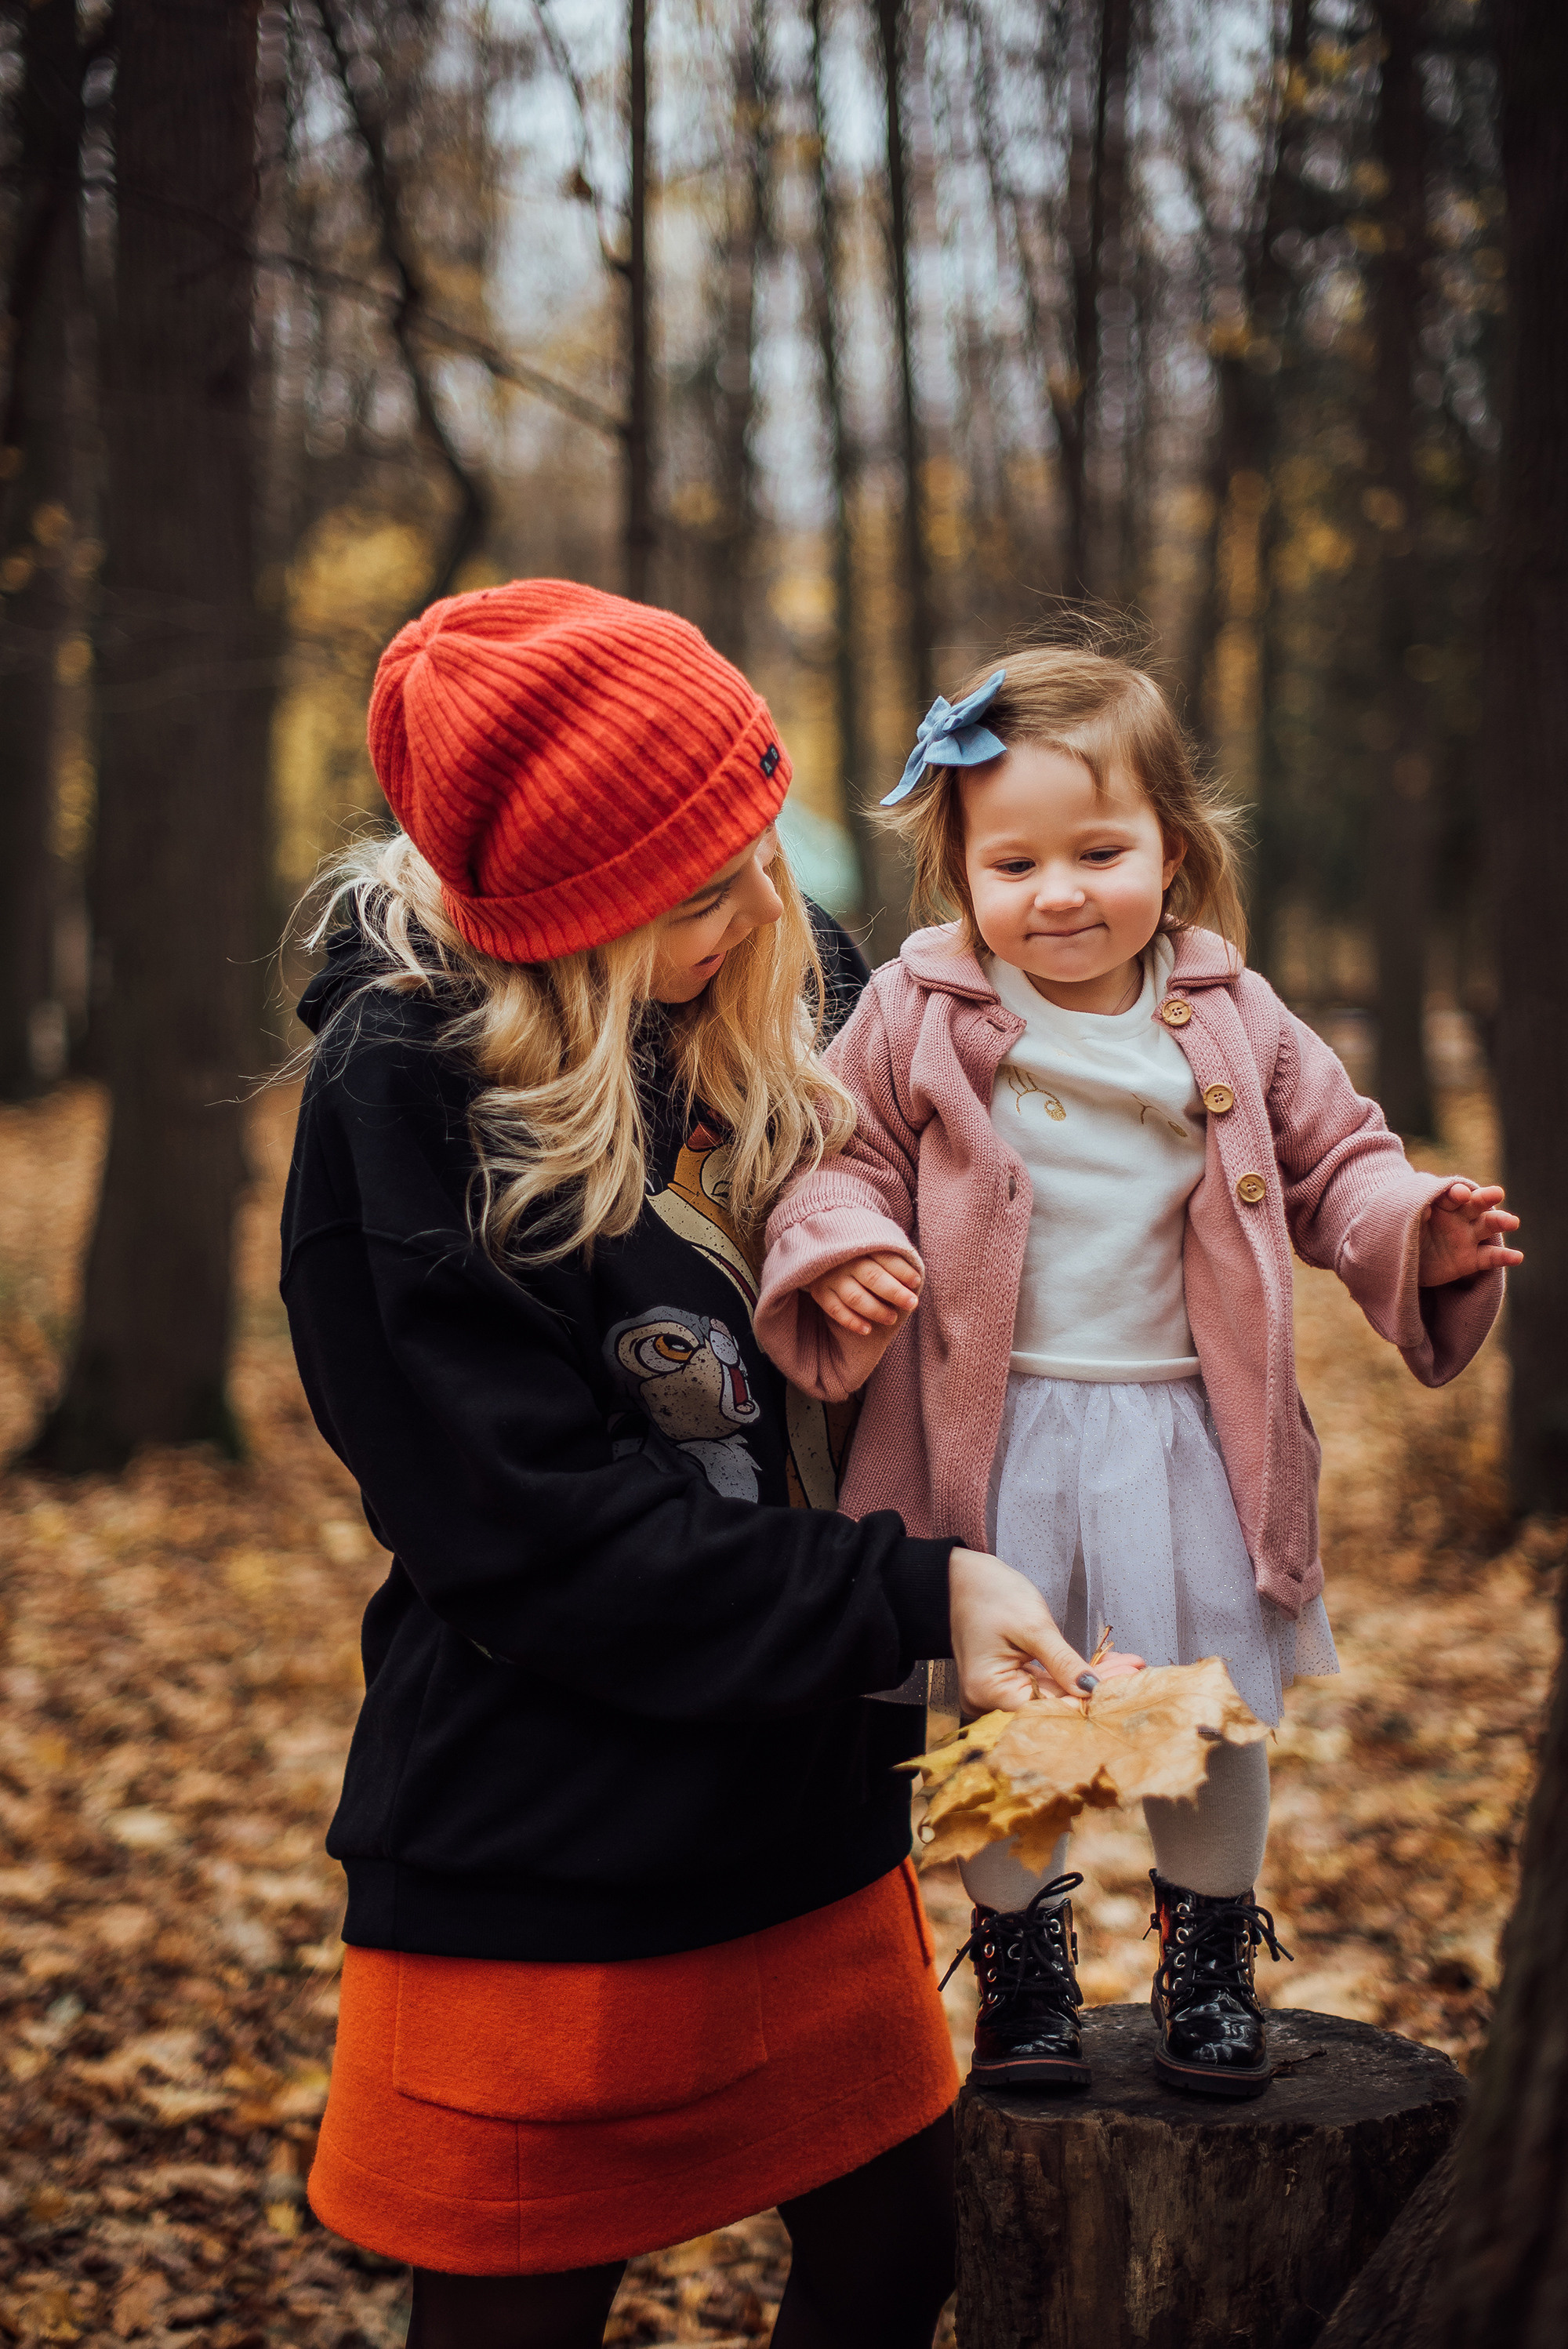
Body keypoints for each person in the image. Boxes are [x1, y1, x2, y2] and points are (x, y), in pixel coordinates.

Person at [281, 580, 1096, 2349]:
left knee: (898, 2252)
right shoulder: (403, 1089)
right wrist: (916, 1593)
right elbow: (533, 1533)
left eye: (754, 856)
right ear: (555, 924)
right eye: (693, 890)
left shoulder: (786, 1001)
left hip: (800, 1818)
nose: (757, 911)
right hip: (542, 1846)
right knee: (512, 2320)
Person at [754, 644, 1519, 2103]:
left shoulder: (1231, 1013)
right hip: (989, 1424)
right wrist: (842, 1243)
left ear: (1174, 849)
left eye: (1100, 851)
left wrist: (1413, 1232)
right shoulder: (919, 1012)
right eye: (1013, 861)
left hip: (1185, 1426)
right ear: (957, 871)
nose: (1059, 894)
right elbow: (833, 1158)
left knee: (1209, 1699)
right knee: (1016, 1705)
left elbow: (1335, 1162)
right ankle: (1026, 1965)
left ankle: (1211, 1953)